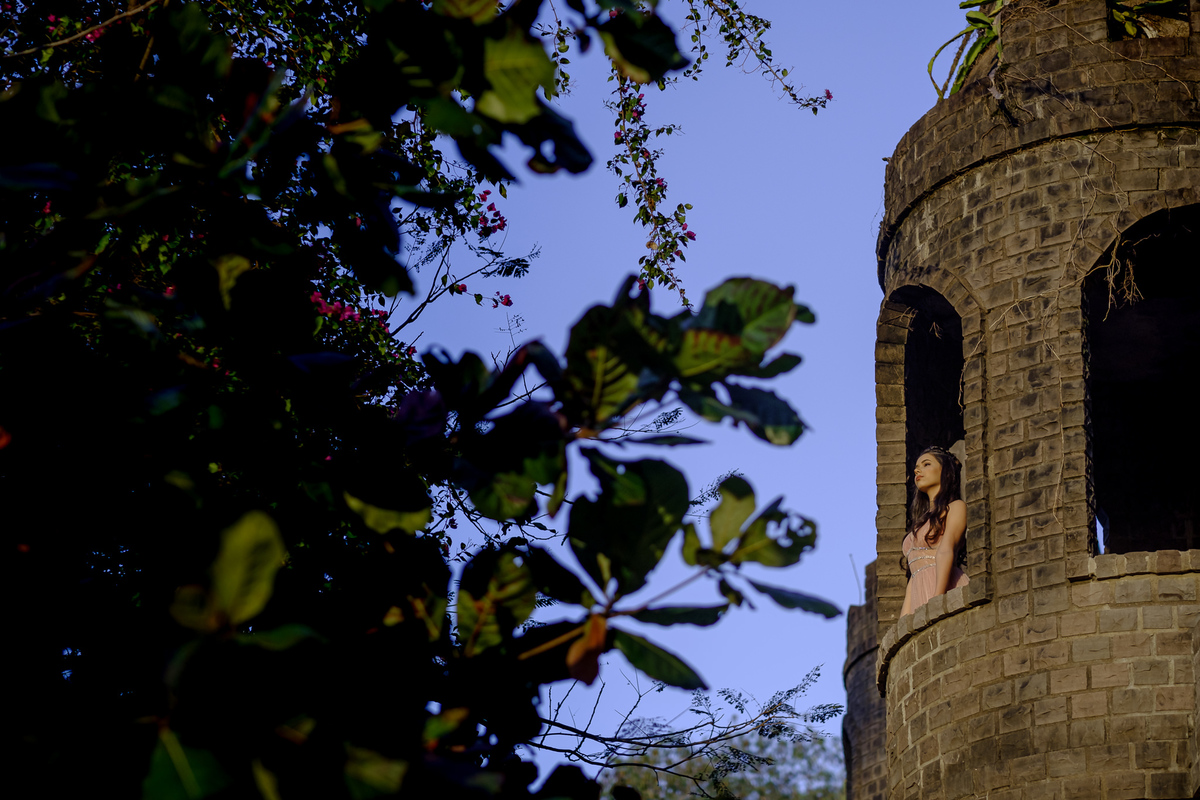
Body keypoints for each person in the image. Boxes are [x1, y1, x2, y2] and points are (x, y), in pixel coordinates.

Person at [900, 446, 969, 616]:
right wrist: (904, 620)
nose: (918, 470)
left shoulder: (955, 507)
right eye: (917, 466)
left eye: (926, 464)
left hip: (942, 586)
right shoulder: (920, 521)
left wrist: (938, 600)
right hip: (919, 590)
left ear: (945, 472)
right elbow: (914, 572)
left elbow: (946, 551)